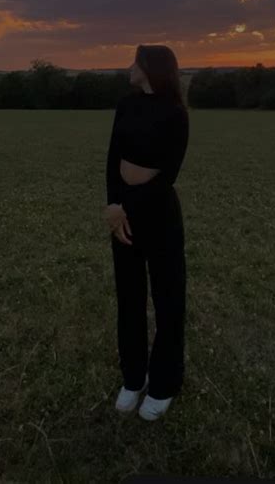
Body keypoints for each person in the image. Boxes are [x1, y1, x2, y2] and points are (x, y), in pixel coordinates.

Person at [104, 44, 189, 421]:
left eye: (135, 62)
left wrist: (126, 208)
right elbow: (113, 158)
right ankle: (134, 378)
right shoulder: (127, 104)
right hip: (122, 216)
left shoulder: (176, 113)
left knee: (168, 301)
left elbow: (167, 176)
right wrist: (112, 206)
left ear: (150, 68)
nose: (129, 67)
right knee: (130, 299)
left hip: (158, 217)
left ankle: (164, 384)